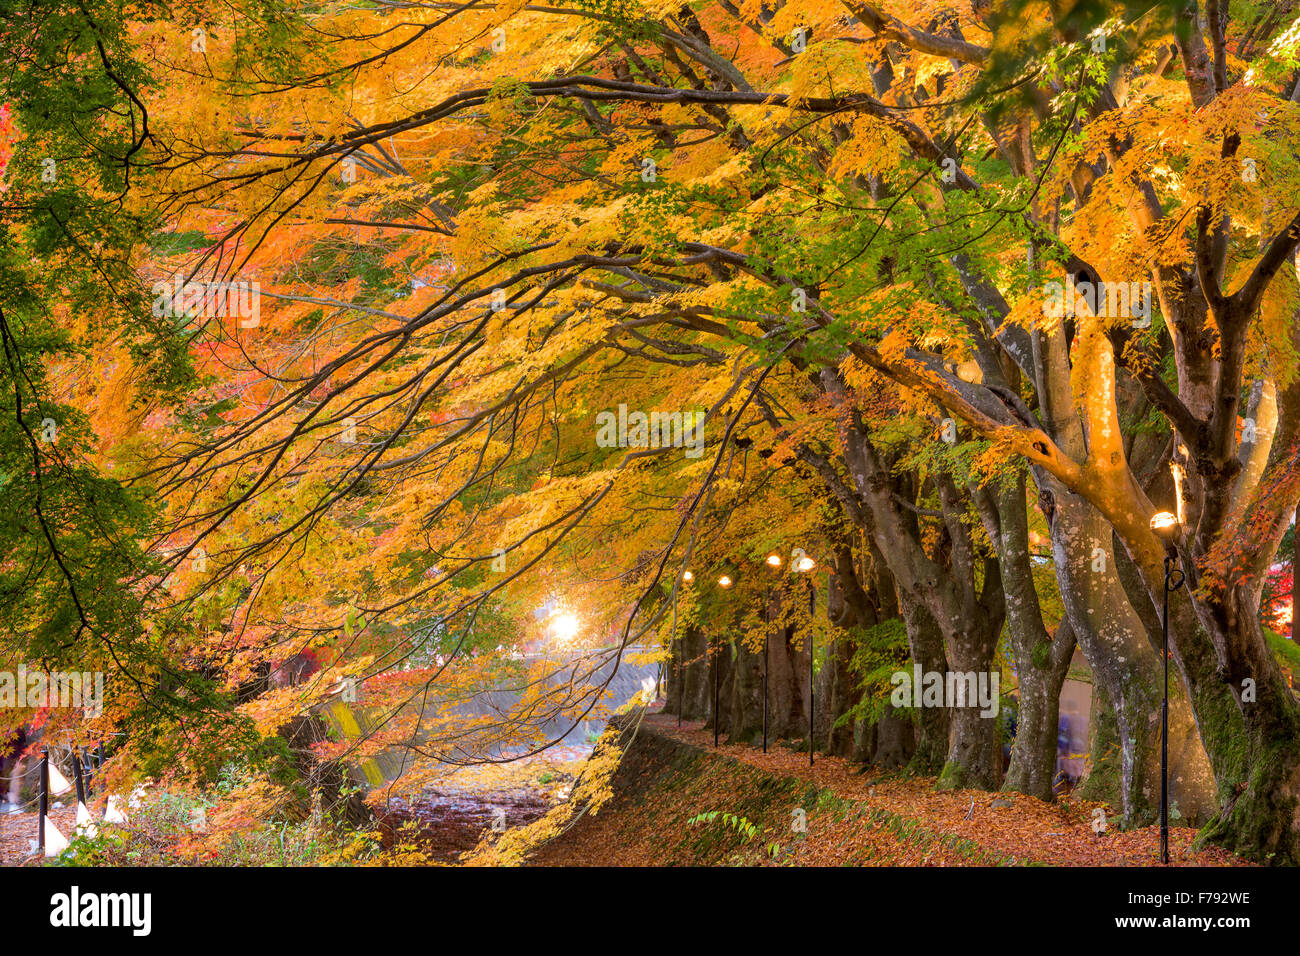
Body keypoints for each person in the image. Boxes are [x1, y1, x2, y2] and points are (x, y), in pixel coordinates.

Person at [0, 726, 29, 812]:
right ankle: (11, 801)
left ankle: (14, 804)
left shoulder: (17, 729)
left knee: (15, 777)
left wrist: (20, 758)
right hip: (5, 759)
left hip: (13, 758)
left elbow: (22, 743)